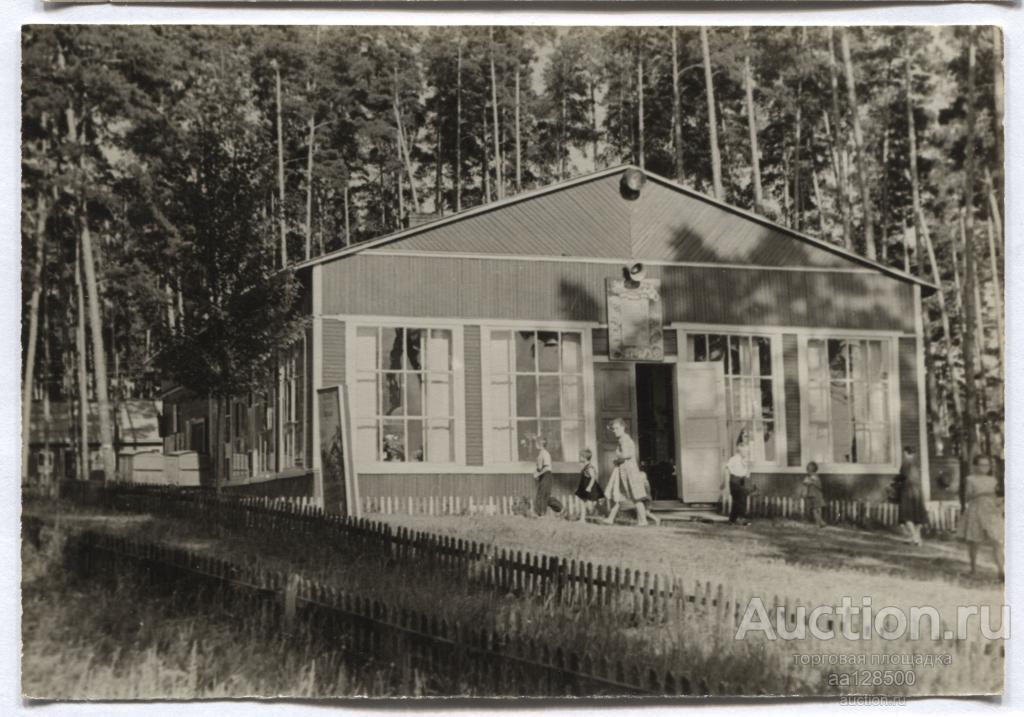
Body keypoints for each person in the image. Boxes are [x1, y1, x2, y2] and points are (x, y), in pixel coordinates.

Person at [601, 419, 657, 526]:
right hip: (624, 471)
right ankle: (610, 518)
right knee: (619, 494)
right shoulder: (621, 439)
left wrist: (617, 458)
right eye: (613, 429)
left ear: (623, 428)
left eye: (617, 428)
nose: (615, 431)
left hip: (630, 472)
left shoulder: (625, 439)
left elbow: (627, 455)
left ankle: (643, 521)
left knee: (636, 496)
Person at [959, 454, 1004, 579]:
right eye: (981, 465)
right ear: (975, 466)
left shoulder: (993, 480)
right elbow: (967, 497)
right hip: (976, 510)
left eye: (987, 465)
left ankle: (1001, 570)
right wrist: (982, 493)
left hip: (990, 511)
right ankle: (973, 569)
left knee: (997, 540)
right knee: (974, 541)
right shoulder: (970, 479)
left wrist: (999, 502)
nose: (984, 467)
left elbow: (995, 498)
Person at [896, 446, 927, 545]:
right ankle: (917, 537)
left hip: (908, 491)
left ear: (906, 453)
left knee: (906, 515)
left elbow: (902, 477)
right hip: (918, 491)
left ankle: (915, 537)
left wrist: (895, 481)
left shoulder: (906, 463)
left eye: (903, 453)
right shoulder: (916, 463)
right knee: (918, 515)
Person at [725, 440, 752, 525]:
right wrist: (731, 476)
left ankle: (732, 519)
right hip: (735, 480)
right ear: (739, 451)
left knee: (740, 500)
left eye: (747, 451)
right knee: (739, 500)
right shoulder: (734, 459)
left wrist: (747, 471)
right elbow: (727, 468)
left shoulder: (745, 460)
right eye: (744, 451)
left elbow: (747, 472)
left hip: (742, 479)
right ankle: (740, 518)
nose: (746, 453)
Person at [574, 448, 603, 523]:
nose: (579, 458)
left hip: (589, 487)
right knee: (582, 501)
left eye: (580, 456)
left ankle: (594, 513)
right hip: (584, 486)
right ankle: (582, 519)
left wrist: (589, 487)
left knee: (589, 504)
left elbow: (593, 477)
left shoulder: (589, 467)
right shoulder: (585, 466)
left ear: (584, 457)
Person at [532, 436, 554, 517]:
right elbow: (539, 467)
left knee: (543, 495)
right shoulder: (540, 453)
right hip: (542, 476)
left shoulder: (545, 453)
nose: (535, 445)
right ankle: (539, 514)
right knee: (540, 495)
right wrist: (537, 472)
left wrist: (538, 474)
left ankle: (542, 514)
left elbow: (547, 468)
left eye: (536, 443)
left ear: (540, 444)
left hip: (546, 476)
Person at [802, 461, 825, 528]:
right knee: (814, 510)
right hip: (811, 495)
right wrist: (804, 491)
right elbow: (805, 485)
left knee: (818, 510)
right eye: (808, 470)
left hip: (817, 495)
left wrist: (813, 482)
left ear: (814, 471)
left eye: (810, 470)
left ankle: (819, 522)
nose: (808, 472)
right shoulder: (807, 478)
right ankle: (820, 522)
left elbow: (820, 486)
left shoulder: (816, 478)